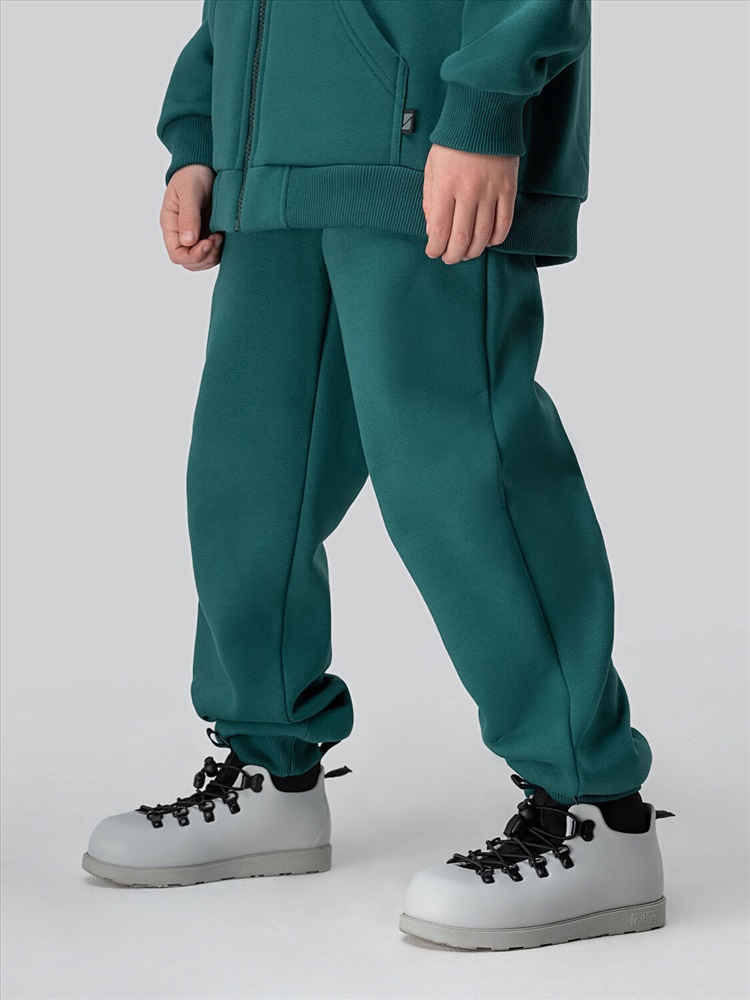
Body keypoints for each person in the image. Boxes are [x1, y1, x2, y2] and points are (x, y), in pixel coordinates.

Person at [82, 0, 673, 950]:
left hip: (425, 147)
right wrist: (199, 133)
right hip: (266, 161)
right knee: (245, 486)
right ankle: (271, 770)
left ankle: (597, 811)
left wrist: (484, 105)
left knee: (462, 484)